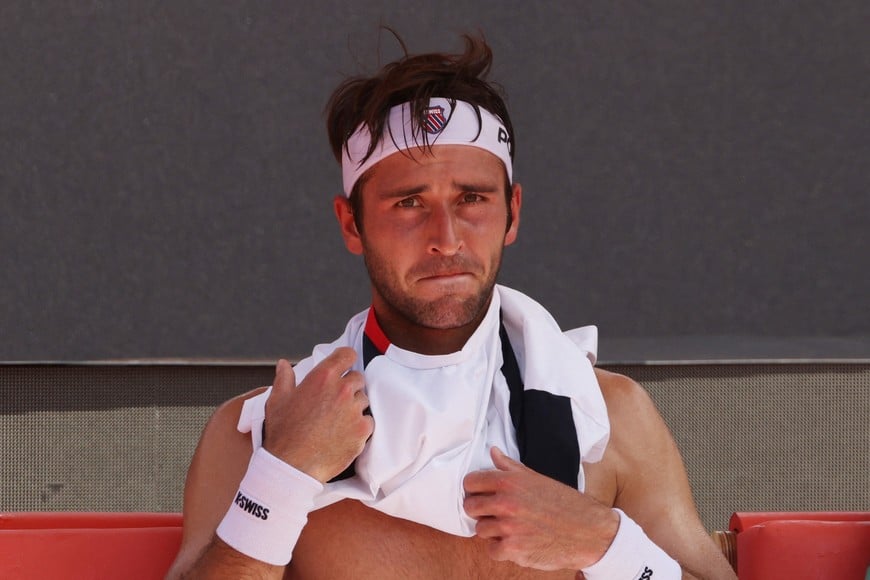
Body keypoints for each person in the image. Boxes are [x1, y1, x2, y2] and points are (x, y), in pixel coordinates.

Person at [166, 34, 736, 580]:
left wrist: (605, 545)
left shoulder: (609, 418)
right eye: (409, 203)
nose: (447, 238)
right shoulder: (262, 433)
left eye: (472, 199)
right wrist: (282, 477)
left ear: (512, 212)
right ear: (351, 224)